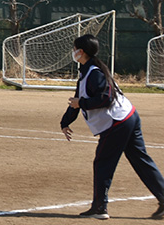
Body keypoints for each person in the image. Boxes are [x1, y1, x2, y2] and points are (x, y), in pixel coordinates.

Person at [61, 34, 164, 220]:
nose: (73, 52)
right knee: (140, 160)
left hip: (118, 122)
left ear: (81, 52)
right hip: (128, 116)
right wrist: (65, 121)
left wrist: (81, 103)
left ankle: (100, 207)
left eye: (74, 49)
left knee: (103, 162)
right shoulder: (87, 72)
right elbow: (78, 100)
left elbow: (104, 98)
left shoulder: (94, 73)